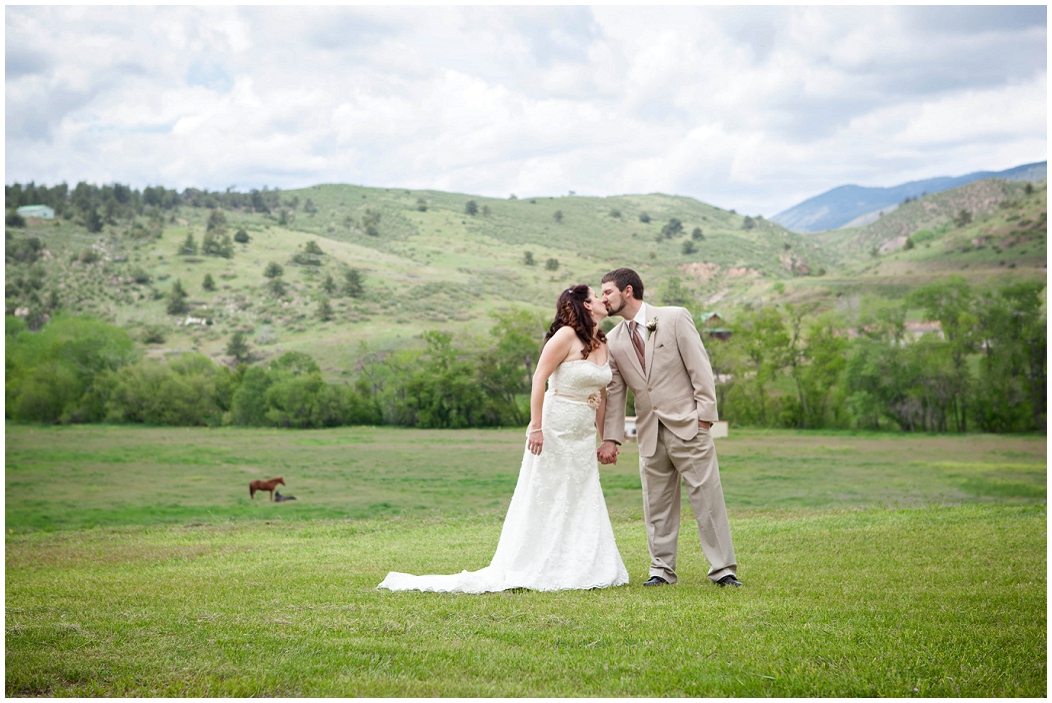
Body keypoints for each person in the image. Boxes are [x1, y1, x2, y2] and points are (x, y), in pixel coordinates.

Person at [378, 284, 629, 593]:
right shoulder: (565, 336)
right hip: (554, 428)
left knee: (581, 493)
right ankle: (536, 562)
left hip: (582, 433)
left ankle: (584, 563)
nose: (604, 300)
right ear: (586, 306)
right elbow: (539, 379)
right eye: (597, 295)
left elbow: (600, 396)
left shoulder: (601, 341)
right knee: (548, 494)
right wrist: (535, 427)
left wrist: (606, 440)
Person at [597, 268, 741, 587]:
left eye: (607, 291)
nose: (602, 298)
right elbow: (617, 392)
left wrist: (705, 416)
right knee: (656, 504)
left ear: (628, 291)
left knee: (707, 499)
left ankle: (723, 570)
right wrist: (611, 438)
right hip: (649, 433)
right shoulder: (614, 340)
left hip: (689, 426)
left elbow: (699, 366)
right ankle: (661, 570)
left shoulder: (674, 317)